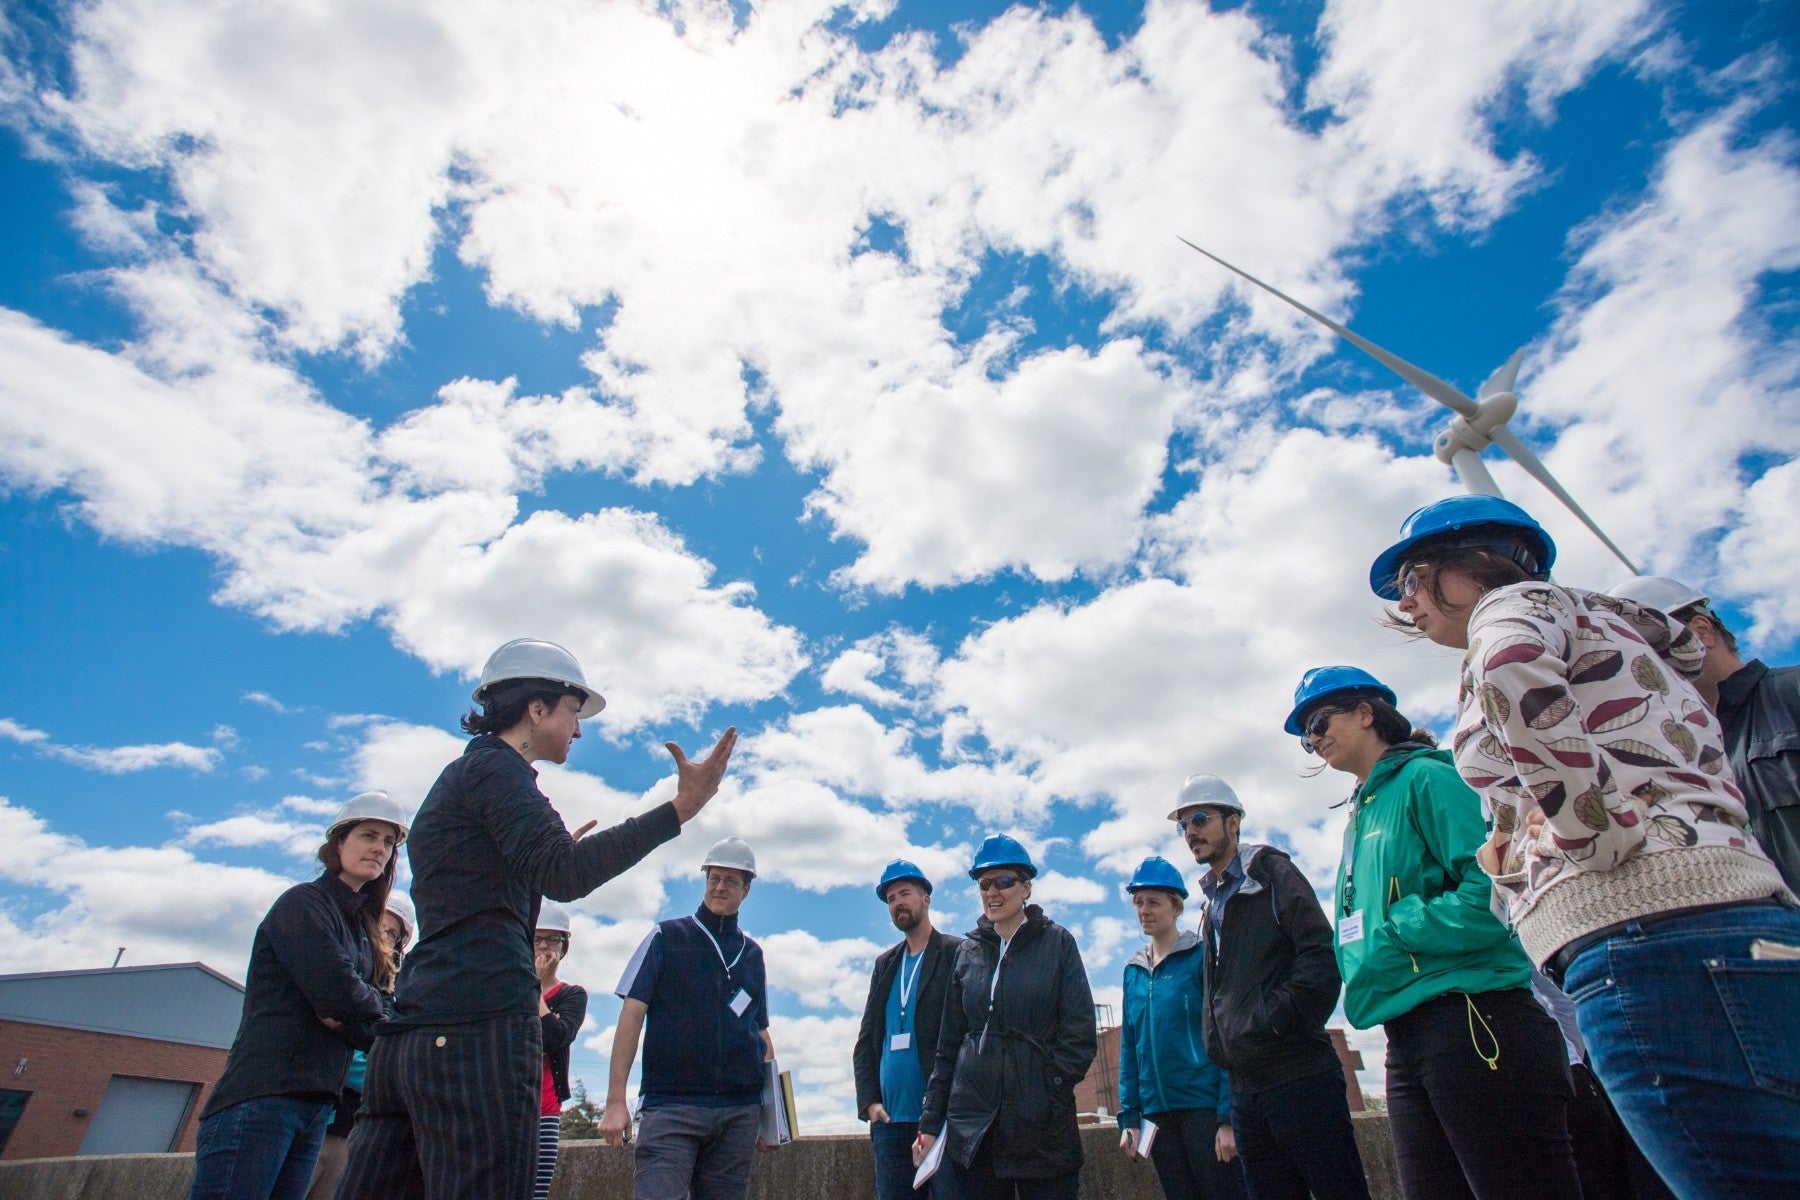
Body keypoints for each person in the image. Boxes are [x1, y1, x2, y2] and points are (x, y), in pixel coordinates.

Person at [1371, 494, 1800, 1198]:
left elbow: (1511, 666)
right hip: (1741, 919)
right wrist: (1509, 846)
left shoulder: (1509, 613)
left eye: (1415, 579)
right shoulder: (1611, 628)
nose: (1409, 604)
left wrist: (1592, 832)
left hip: (1647, 934)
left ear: (1475, 563)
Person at [336, 637, 738, 1200]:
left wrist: (527, 871)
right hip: (476, 1037)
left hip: (410, 1037)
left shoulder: (461, 779)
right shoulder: (497, 772)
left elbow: (488, 888)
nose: (578, 730)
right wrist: (682, 809)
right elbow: (566, 873)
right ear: (538, 707)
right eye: (575, 712)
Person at [1287, 665, 1581, 1200]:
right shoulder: (1363, 811)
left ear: (1365, 712)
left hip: (1472, 1016)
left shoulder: (1430, 777)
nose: (1315, 738)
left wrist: (1400, 929)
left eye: (1320, 720)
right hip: (1406, 1029)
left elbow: (1495, 887)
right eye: (1307, 734)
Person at [190, 792, 404, 1200]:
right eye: (368, 835)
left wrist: (352, 1016)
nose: (379, 848)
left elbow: (365, 1008)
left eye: (389, 842)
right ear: (338, 843)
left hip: (317, 1108)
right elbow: (341, 994)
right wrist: (352, 1013)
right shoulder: (303, 904)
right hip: (263, 1099)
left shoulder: (362, 931)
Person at [1181, 773, 1369, 1200]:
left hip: (1299, 1076)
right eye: (1184, 825)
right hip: (1246, 1088)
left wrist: (1271, 1022)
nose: (1191, 832)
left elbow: (1320, 955)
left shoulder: (1271, 872)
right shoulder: (1212, 902)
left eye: (1200, 818)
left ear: (1233, 822)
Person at [915, 835, 1096, 1200]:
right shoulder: (968, 953)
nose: (992, 893)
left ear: (1026, 887)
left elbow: (1079, 1033)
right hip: (973, 1129)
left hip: (1041, 1128)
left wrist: (1048, 1091)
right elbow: (948, 1045)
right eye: (984, 884)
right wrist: (931, 1122)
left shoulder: (1058, 943)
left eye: (1004, 882)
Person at [601, 836, 773, 1200]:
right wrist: (616, 1100)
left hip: (738, 1111)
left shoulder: (753, 954)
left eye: (730, 880)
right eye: (713, 877)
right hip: (671, 1107)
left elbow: (762, 1036)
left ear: (747, 888)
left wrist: (772, 1117)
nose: (719, 886)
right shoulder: (666, 937)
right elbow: (631, 1017)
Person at [1607, 575, 1800, 891]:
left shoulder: (1793, 691)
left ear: (1701, 631)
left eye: (1643, 649)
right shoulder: (1672, 759)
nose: (1638, 669)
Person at [1116, 855, 1244, 1200]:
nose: (1144, 910)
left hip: (1201, 1107)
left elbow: (1223, 1033)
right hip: (1156, 1113)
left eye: (1153, 902)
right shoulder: (1133, 971)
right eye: (1139, 902)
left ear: (1176, 907)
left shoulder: (1200, 957)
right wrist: (1128, 1116)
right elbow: (1129, 1044)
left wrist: (1226, 1117)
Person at [854, 859, 966, 1200]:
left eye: (905, 893)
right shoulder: (885, 964)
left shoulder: (956, 952)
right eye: (890, 898)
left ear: (926, 899)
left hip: (941, 1120)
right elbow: (866, 1041)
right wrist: (870, 1102)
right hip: (890, 1124)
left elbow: (964, 1034)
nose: (897, 903)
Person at [305, 890, 414, 1200]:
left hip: (349, 1128)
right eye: (381, 925)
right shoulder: (338, 969)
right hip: (314, 1118)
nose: (385, 936)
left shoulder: (392, 995)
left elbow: (386, 1054)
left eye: (395, 933)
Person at [533, 901, 587, 1200]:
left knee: (537, 1192)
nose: (544, 946)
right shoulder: (506, 989)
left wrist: (537, 988)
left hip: (545, 1109)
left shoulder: (571, 994)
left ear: (564, 945)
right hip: (505, 1106)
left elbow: (555, 1038)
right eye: (538, 938)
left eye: (553, 939)